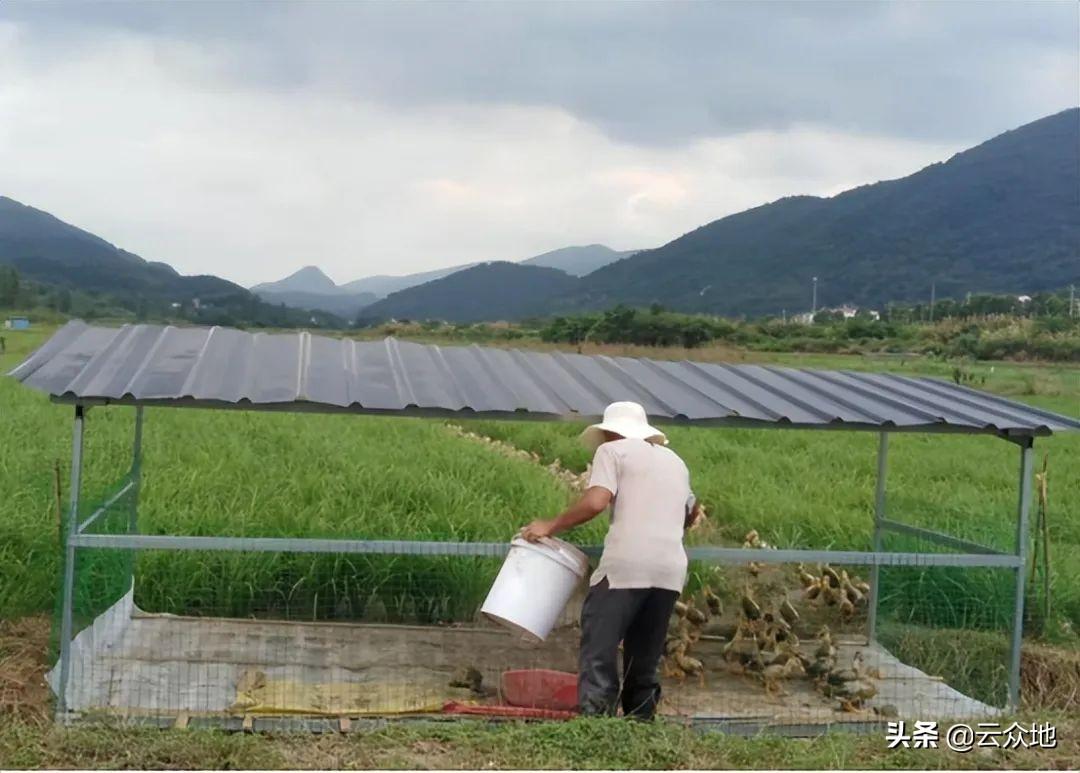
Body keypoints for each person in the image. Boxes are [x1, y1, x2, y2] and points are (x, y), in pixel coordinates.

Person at [521, 400, 702, 720]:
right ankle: (640, 724)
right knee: (644, 659)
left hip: (626, 567)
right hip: (669, 571)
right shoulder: (676, 461)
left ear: (610, 433)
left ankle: (597, 724)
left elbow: (595, 501)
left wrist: (550, 525)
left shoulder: (612, 452)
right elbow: (692, 511)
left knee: (599, 651)